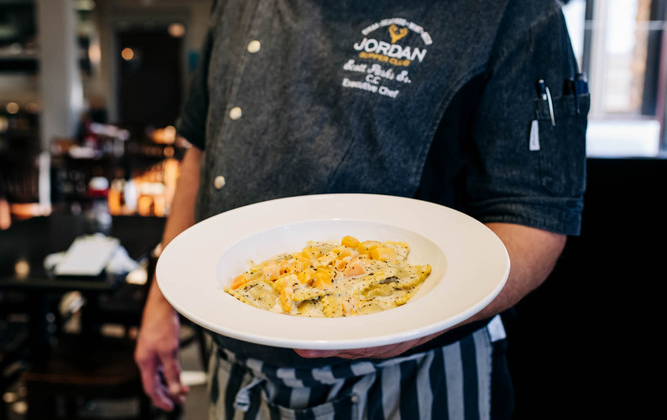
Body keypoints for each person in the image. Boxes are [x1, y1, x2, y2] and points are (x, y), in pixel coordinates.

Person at [135, 0, 588, 418]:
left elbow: (536, 216)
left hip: (415, 378)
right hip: (235, 367)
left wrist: (417, 324)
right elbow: (200, 150)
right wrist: (161, 302)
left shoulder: (516, 12)